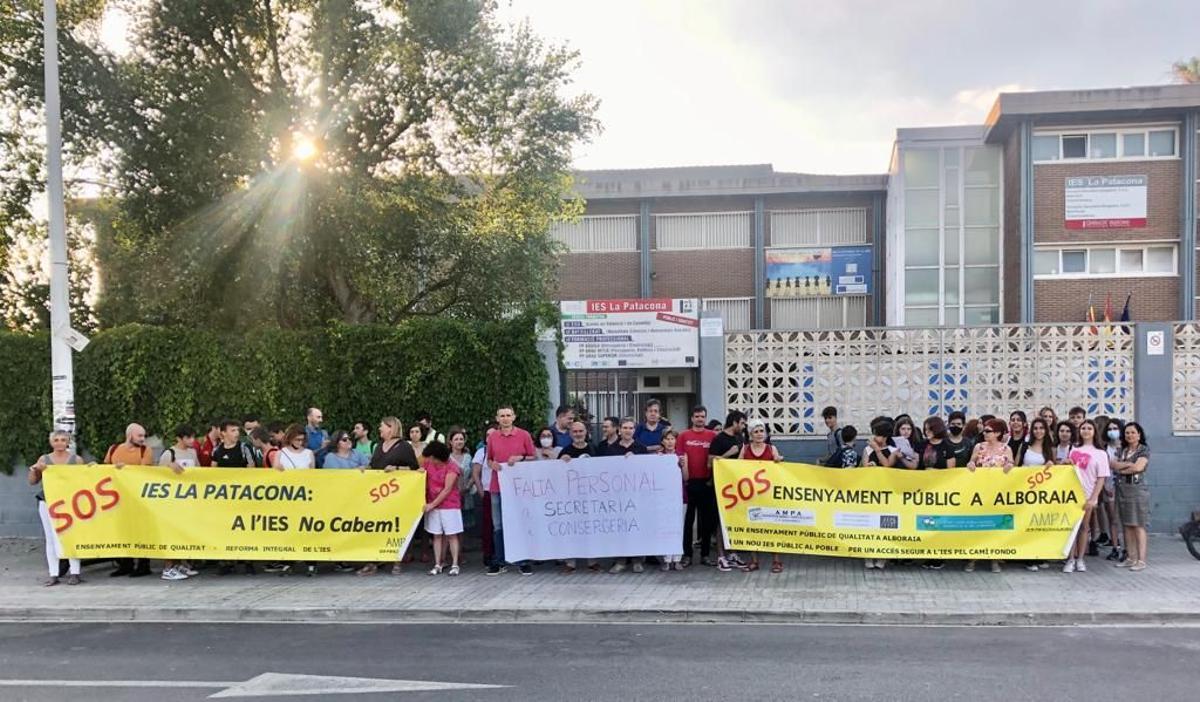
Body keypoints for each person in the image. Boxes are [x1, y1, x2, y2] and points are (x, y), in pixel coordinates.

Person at [362, 417, 420, 576]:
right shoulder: (379, 446)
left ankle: (396, 560)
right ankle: (373, 561)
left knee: (395, 527)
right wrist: (364, 468)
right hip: (378, 495)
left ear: (391, 428)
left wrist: (397, 468)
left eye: (382, 426)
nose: (379, 429)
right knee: (375, 527)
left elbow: (415, 469)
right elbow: (375, 466)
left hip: (396, 495)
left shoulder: (404, 447)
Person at [28, 430, 84, 586]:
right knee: (51, 538)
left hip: (70, 502)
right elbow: (32, 481)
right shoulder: (44, 459)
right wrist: (35, 469)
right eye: (56, 440)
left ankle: (75, 572)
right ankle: (54, 573)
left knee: (71, 535)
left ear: (68, 442)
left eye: (63, 440)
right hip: (48, 501)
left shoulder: (76, 460)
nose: (60, 443)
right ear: (51, 442)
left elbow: (85, 480)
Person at [485, 405, 536, 576]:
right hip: (497, 486)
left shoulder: (524, 435)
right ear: (497, 418)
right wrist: (493, 464)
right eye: (502, 416)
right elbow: (489, 460)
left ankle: (522, 560)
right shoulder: (492, 437)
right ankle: (500, 561)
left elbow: (533, 457)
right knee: (498, 526)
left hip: (518, 488)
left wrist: (520, 458)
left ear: (514, 417)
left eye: (508, 415)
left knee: (519, 523)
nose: (505, 418)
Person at [104, 423, 155, 577]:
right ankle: (125, 564)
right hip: (118, 497)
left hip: (139, 497)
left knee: (141, 530)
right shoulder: (114, 449)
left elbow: (142, 471)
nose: (143, 439)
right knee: (122, 530)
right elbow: (105, 469)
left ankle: (143, 565)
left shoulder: (146, 450)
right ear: (129, 435)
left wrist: (124, 468)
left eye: (144, 436)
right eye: (140, 436)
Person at [965, 418, 1015, 573]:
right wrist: (971, 464)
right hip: (980, 492)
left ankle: (994, 559)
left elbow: (1013, 464)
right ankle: (973, 558)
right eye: (984, 431)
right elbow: (971, 462)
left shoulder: (1006, 449)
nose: (984, 433)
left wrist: (1009, 466)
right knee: (978, 525)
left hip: (999, 493)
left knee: (996, 526)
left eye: (988, 431)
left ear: (998, 433)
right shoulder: (979, 447)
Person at [1063, 419, 1110, 574]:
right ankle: (1070, 558)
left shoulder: (1101, 453)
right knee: (1071, 528)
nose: (1086, 431)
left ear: (1094, 431)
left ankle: (1080, 559)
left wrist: (1093, 498)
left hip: (1088, 494)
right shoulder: (1074, 450)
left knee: (1084, 527)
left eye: (1089, 428)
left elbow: (1101, 477)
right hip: (1072, 495)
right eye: (1083, 428)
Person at [740, 420, 785, 573]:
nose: (759, 434)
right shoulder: (745, 449)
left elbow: (779, 469)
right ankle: (754, 561)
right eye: (756, 431)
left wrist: (778, 461)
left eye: (761, 431)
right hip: (750, 495)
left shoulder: (772, 449)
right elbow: (736, 468)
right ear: (750, 434)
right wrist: (722, 463)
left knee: (772, 527)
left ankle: (776, 561)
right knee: (753, 528)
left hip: (769, 495)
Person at [157, 425, 199, 581]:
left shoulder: (193, 453)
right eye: (188, 438)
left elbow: (200, 472)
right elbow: (157, 475)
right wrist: (169, 466)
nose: (192, 441)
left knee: (182, 533)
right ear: (179, 439)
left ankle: (179, 563)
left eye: (193, 437)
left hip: (188, 500)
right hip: (173, 501)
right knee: (172, 533)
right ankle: (168, 567)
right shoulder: (169, 453)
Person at [709, 410, 749, 572]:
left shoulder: (740, 438)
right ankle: (721, 556)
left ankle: (732, 553)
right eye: (742, 423)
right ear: (734, 422)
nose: (744, 426)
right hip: (721, 487)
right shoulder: (718, 439)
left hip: (737, 487)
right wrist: (728, 454)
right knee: (721, 521)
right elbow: (710, 462)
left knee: (734, 520)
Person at [678, 406, 716, 566]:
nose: (700, 419)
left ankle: (705, 555)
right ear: (692, 418)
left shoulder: (713, 436)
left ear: (705, 418)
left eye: (702, 416)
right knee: (688, 521)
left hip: (707, 483)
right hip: (689, 483)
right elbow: (678, 457)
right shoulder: (683, 435)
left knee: (706, 521)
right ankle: (687, 555)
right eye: (697, 416)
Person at [558, 421, 598, 573]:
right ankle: (570, 562)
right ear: (570, 434)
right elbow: (558, 474)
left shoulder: (594, 449)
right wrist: (561, 463)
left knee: (591, 529)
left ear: (586, 432)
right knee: (572, 529)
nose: (578, 434)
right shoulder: (565, 451)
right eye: (575, 432)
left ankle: (592, 561)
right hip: (572, 498)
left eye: (581, 431)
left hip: (591, 496)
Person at [1111, 422, 1150, 571]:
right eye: (1127, 433)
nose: (1130, 435)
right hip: (1122, 489)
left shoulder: (1143, 450)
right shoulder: (1122, 449)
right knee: (1127, 525)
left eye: (1133, 432)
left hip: (1137, 490)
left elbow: (1138, 467)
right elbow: (1113, 464)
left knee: (1138, 524)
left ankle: (1141, 560)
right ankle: (1130, 557)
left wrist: (1122, 468)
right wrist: (1126, 466)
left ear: (1139, 435)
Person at [421, 441, 463, 576]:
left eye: (432, 457)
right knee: (436, 535)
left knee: (451, 535)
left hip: (449, 505)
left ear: (436, 456)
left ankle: (455, 564)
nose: (430, 460)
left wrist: (431, 505)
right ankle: (438, 563)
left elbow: (447, 490)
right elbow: (421, 474)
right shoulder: (428, 464)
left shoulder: (452, 467)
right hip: (432, 505)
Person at [861, 418, 898, 570]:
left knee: (886, 525)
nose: (876, 438)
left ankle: (883, 556)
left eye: (878, 435)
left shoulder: (893, 451)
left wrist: (877, 450)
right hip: (871, 493)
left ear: (885, 436)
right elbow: (863, 467)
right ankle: (868, 555)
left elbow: (888, 464)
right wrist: (869, 466)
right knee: (869, 525)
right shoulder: (867, 450)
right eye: (874, 435)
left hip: (888, 494)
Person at [659, 429, 688, 571]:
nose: (670, 442)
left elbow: (686, 478)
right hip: (664, 498)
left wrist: (683, 465)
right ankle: (666, 559)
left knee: (678, 527)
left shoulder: (682, 456)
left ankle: (677, 559)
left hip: (680, 496)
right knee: (664, 527)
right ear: (662, 441)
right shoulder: (658, 457)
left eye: (672, 439)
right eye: (667, 439)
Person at [447, 428, 477, 536]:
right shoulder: (447, 458)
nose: (459, 442)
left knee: (464, 523)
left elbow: (475, 473)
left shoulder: (468, 457)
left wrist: (468, 486)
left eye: (461, 439)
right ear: (451, 442)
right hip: (451, 494)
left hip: (466, 493)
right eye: (456, 439)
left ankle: (461, 549)